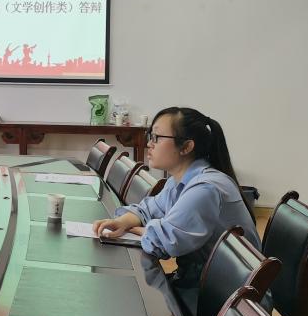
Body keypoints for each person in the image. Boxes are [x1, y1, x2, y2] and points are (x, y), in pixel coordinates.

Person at [93, 107, 260, 290]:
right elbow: (149, 209)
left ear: (186, 147)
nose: (149, 144)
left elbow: (165, 241)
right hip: (202, 284)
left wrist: (135, 229)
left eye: (157, 137)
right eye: (150, 136)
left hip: (224, 297)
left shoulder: (205, 189)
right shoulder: (178, 180)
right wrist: (123, 222)